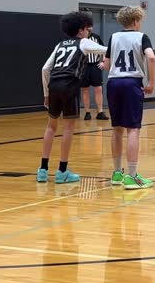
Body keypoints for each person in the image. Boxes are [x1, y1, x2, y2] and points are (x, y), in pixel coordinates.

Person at [37, 11, 107, 184]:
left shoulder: (60, 44)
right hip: (69, 87)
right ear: (82, 29)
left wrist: (46, 93)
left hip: (53, 86)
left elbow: (45, 69)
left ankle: (42, 171)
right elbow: (107, 50)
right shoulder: (84, 42)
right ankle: (62, 171)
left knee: (51, 127)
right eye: (87, 29)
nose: (88, 31)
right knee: (68, 129)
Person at [102, 5, 155, 190]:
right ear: (135, 21)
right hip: (131, 83)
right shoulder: (142, 37)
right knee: (133, 129)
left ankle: (117, 173)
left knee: (116, 128)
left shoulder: (114, 37)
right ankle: (132, 176)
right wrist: (151, 82)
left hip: (113, 83)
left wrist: (104, 65)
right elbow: (151, 58)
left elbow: (107, 64)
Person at [81, 25, 109, 120]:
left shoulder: (96, 37)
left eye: (90, 26)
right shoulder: (80, 39)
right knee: (85, 89)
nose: (89, 28)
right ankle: (87, 112)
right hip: (84, 66)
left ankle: (100, 111)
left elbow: (105, 50)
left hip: (94, 66)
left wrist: (103, 62)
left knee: (98, 89)